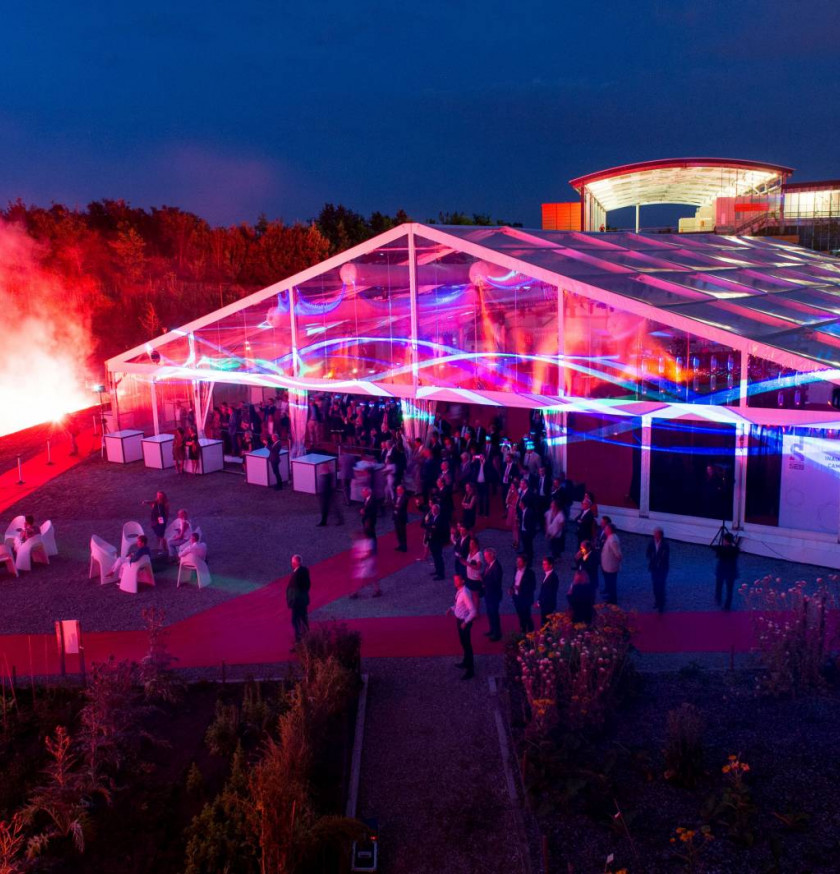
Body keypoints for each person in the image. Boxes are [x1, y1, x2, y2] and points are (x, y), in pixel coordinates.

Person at [447, 573, 478, 680]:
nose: (455, 583)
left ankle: (470, 670)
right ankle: (466, 662)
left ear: (462, 581)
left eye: (457, 580)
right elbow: (459, 605)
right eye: (454, 580)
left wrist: (465, 622)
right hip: (460, 621)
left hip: (464, 622)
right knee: (464, 643)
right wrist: (452, 609)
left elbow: (473, 611)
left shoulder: (464, 593)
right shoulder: (460, 591)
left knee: (467, 645)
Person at [286, 554, 311, 646]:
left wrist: (291, 601)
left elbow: (294, 590)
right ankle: (308, 637)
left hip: (297, 602)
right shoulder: (305, 570)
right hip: (303, 600)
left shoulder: (296, 574)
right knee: (304, 619)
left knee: (295, 621)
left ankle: (299, 641)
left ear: (294, 563)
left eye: (292, 562)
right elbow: (308, 585)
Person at [714, 531, 740, 610]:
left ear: (725, 540)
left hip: (722, 570)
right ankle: (727, 606)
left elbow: (717, 555)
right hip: (731, 571)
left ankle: (718, 599)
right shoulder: (736, 549)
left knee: (719, 586)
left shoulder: (721, 549)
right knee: (729, 590)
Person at [481, 547, 503, 642]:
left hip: (493, 594)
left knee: (494, 613)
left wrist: (484, 582)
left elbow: (496, 581)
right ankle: (492, 630)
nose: (485, 558)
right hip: (489, 594)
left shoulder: (497, 567)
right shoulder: (489, 565)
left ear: (492, 556)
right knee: (490, 613)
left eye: (486, 556)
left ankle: (497, 633)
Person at [510, 554, 536, 633]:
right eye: (517, 561)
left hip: (525, 599)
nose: (517, 563)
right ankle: (523, 629)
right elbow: (515, 581)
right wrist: (511, 588)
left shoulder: (530, 573)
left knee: (526, 615)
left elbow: (532, 587)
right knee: (520, 615)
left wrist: (520, 588)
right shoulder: (516, 569)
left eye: (520, 562)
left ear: (525, 563)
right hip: (517, 597)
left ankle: (530, 630)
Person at [647, 527, 670, 613]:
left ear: (660, 535)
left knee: (661, 586)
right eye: (654, 533)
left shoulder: (665, 544)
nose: (654, 535)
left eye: (656, 534)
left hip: (662, 569)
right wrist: (652, 557)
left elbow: (665, 556)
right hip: (654, 568)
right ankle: (657, 601)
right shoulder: (651, 542)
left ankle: (661, 604)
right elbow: (648, 552)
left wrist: (657, 559)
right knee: (655, 585)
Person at [599, 521, 623, 605]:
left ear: (609, 530)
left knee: (611, 583)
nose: (604, 530)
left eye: (606, 528)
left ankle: (613, 600)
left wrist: (617, 562)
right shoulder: (611, 537)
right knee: (610, 583)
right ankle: (610, 597)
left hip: (611, 566)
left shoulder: (612, 540)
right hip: (608, 565)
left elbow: (618, 554)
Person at [426, 503, 447, 580]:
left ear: (438, 510)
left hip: (437, 541)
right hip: (432, 540)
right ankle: (437, 570)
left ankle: (441, 574)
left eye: (435, 509)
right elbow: (428, 525)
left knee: (438, 557)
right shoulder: (432, 517)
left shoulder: (441, 518)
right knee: (435, 557)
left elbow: (439, 529)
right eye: (432, 509)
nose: (433, 511)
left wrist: (431, 527)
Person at [538, 556, 559, 626]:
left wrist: (540, 602)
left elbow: (549, 593)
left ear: (551, 565)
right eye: (543, 564)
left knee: (547, 624)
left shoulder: (553, 577)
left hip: (548, 605)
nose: (543, 566)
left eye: (545, 564)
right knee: (545, 624)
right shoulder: (547, 575)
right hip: (545, 604)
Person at [464, 536, 484, 610]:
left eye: (472, 543)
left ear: (476, 544)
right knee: (472, 594)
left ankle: (476, 611)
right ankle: (474, 610)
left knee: (475, 595)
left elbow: (478, 567)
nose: (470, 545)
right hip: (470, 577)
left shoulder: (479, 554)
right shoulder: (470, 553)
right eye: (470, 543)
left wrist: (467, 564)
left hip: (475, 578)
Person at [393, 484, 409, 552]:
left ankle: (404, 546)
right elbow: (393, 504)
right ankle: (400, 545)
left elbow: (401, 506)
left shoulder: (405, 497)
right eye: (397, 490)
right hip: (396, 516)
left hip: (402, 517)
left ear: (402, 490)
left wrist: (396, 506)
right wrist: (396, 506)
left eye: (399, 490)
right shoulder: (396, 496)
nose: (397, 491)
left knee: (402, 532)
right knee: (398, 531)